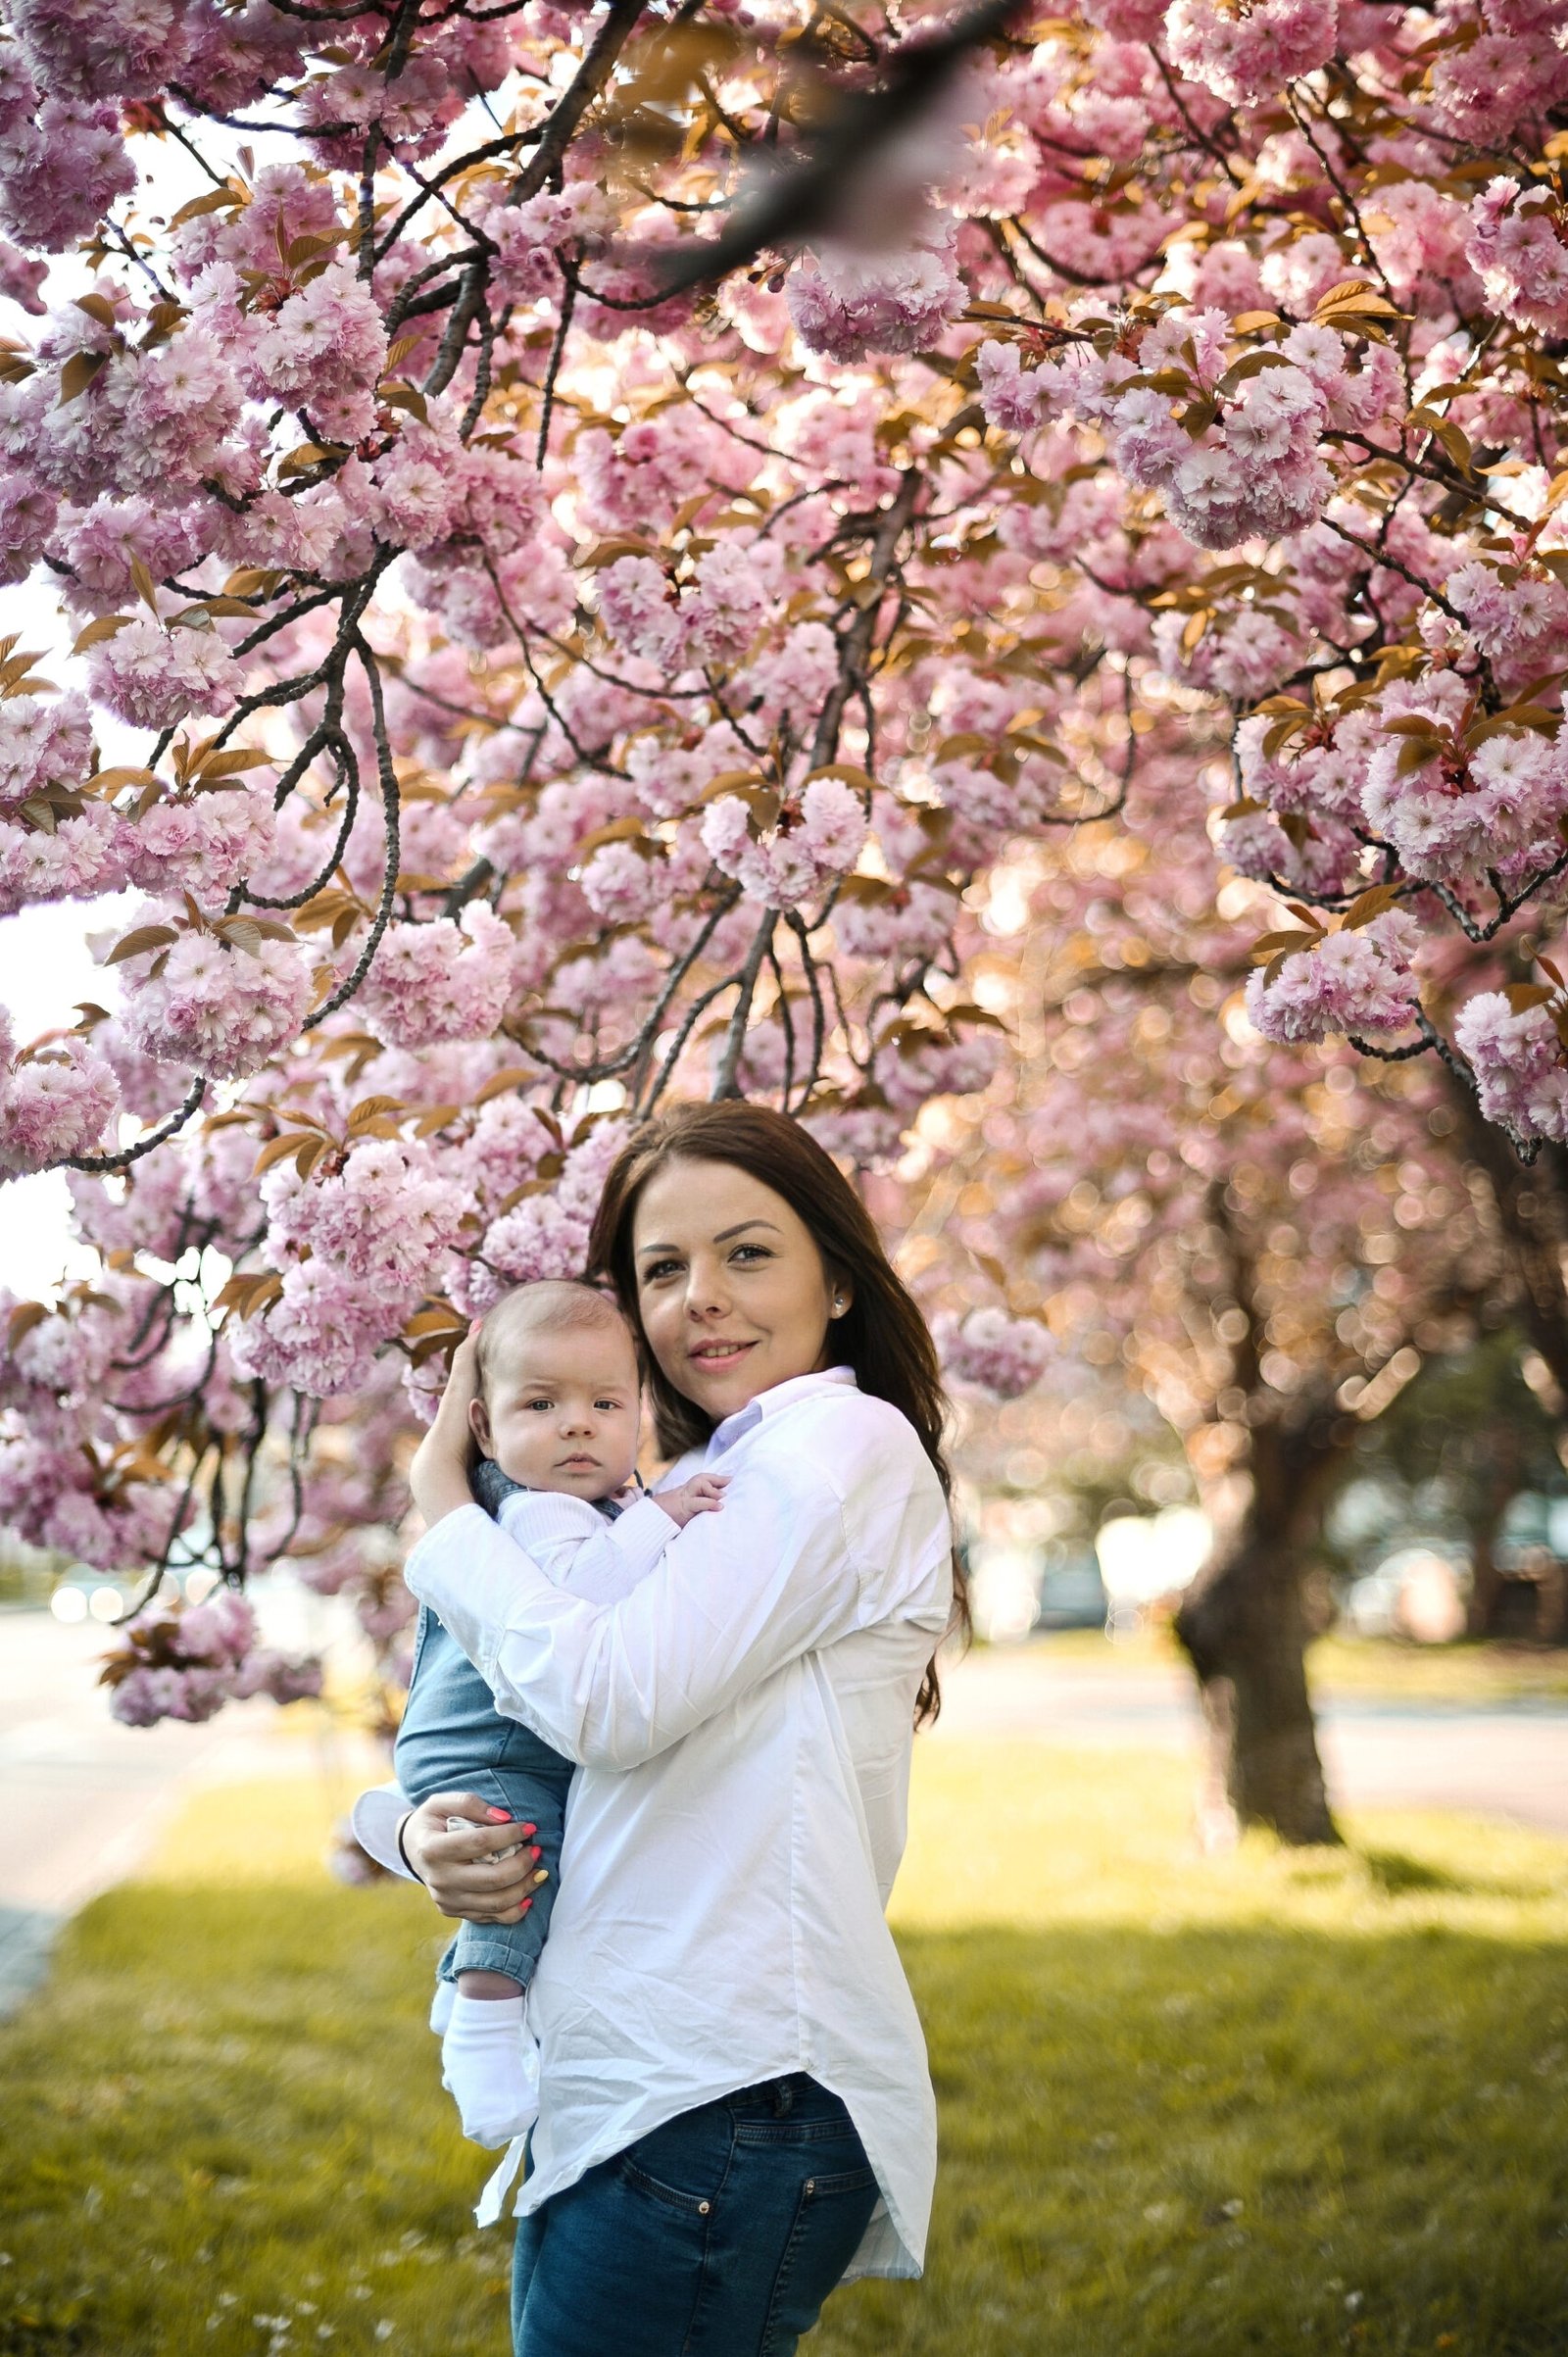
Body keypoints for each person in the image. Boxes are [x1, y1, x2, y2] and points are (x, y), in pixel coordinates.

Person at [354, 1101, 961, 2357]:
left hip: (723, 2085)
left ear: (837, 1277)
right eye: (662, 1269)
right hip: (640, 2084)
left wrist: (443, 1514)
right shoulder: (677, 1492)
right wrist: (413, 1828)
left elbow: (606, 1700)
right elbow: (527, 1729)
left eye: (748, 1253)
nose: (703, 1300)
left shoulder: (834, 1447)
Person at [393, 1277, 727, 2146]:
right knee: (522, 1859)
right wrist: (660, 1520)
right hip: (491, 1748)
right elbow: (584, 1594)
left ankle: (462, 1982)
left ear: (639, 1412)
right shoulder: (538, 1508)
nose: (577, 1423)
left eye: (604, 1401)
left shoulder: (595, 1499)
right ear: (484, 1426)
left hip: (518, 1739)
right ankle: (483, 2024)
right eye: (540, 1402)